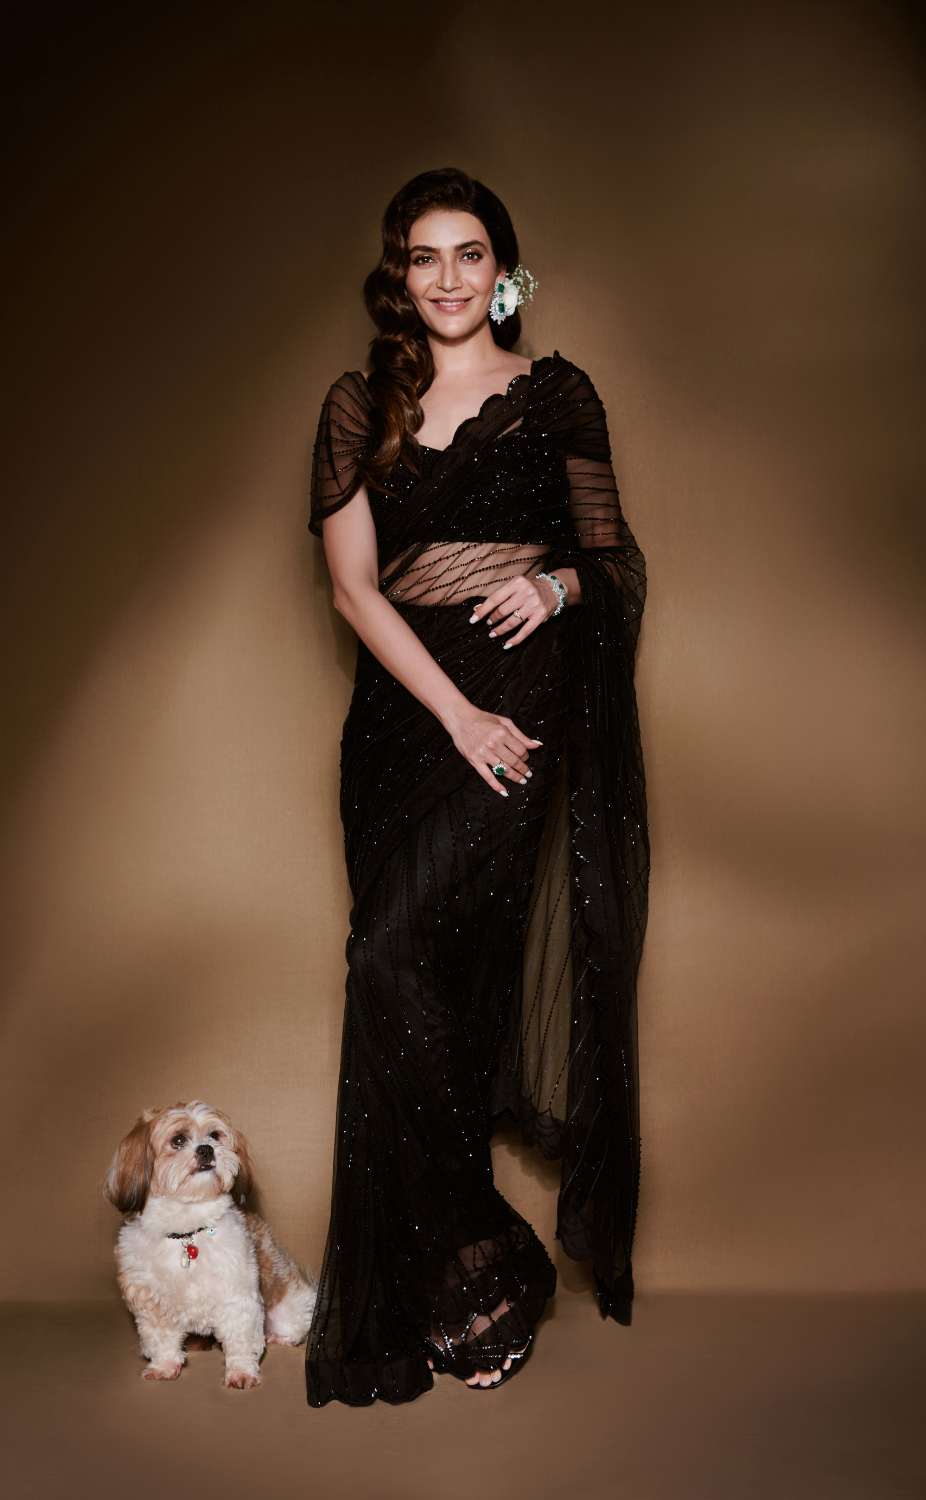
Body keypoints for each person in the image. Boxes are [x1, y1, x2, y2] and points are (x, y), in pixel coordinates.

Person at [305, 167, 648, 1408]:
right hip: (407, 717)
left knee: (400, 955)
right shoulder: (361, 405)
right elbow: (352, 589)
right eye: (422, 256)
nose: (446, 277)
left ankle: (468, 1262)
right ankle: (477, 1254)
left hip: (519, 702)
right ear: (398, 277)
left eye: (469, 254)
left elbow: (614, 562)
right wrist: (448, 712)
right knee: (403, 970)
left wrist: (556, 586)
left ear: (505, 271)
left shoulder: (556, 393)